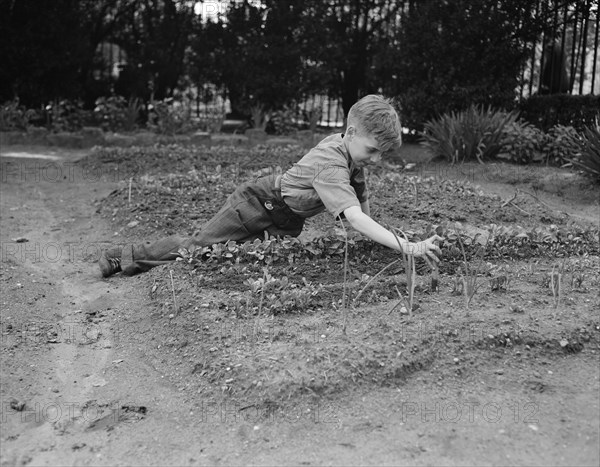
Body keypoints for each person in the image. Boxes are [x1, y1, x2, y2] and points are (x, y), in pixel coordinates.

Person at [99, 94, 442, 277]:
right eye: (372, 150)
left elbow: (362, 203)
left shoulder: (351, 155)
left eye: (382, 154)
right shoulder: (331, 164)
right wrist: (405, 246)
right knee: (198, 247)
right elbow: (354, 217)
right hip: (257, 203)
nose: (376, 159)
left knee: (229, 261)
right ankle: (122, 257)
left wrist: (384, 237)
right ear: (351, 133)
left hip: (285, 221)